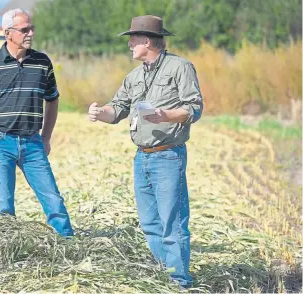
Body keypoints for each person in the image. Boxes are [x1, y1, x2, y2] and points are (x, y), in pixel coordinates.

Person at [88, 15, 203, 287]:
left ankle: (179, 282)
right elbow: (116, 109)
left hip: (168, 157)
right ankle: (164, 278)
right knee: (150, 224)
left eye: (132, 39)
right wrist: (99, 112)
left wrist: (166, 115)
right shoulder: (133, 76)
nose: (129, 45)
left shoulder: (181, 67)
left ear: (147, 40)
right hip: (142, 158)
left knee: (172, 224)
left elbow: (194, 108)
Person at [0, 8, 74, 237]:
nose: (30, 33)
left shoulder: (42, 62)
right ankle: (8, 250)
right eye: (24, 29)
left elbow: (52, 100)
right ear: (8, 33)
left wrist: (46, 137)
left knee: (53, 200)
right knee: (3, 206)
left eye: (31, 28)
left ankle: (68, 246)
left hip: (33, 143)